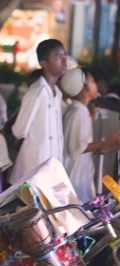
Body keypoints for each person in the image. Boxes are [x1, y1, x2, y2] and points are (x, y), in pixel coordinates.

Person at [10, 39, 68, 184]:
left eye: (64, 56)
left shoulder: (58, 93)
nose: (64, 61)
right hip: (34, 169)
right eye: (58, 57)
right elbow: (18, 131)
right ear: (44, 63)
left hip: (53, 169)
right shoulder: (37, 92)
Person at [60, 68, 120, 202]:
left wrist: (101, 149)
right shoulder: (76, 112)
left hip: (82, 175)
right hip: (75, 177)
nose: (96, 84)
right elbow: (77, 148)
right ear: (85, 87)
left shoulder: (82, 111)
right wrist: (106, 142)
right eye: (92, 81)